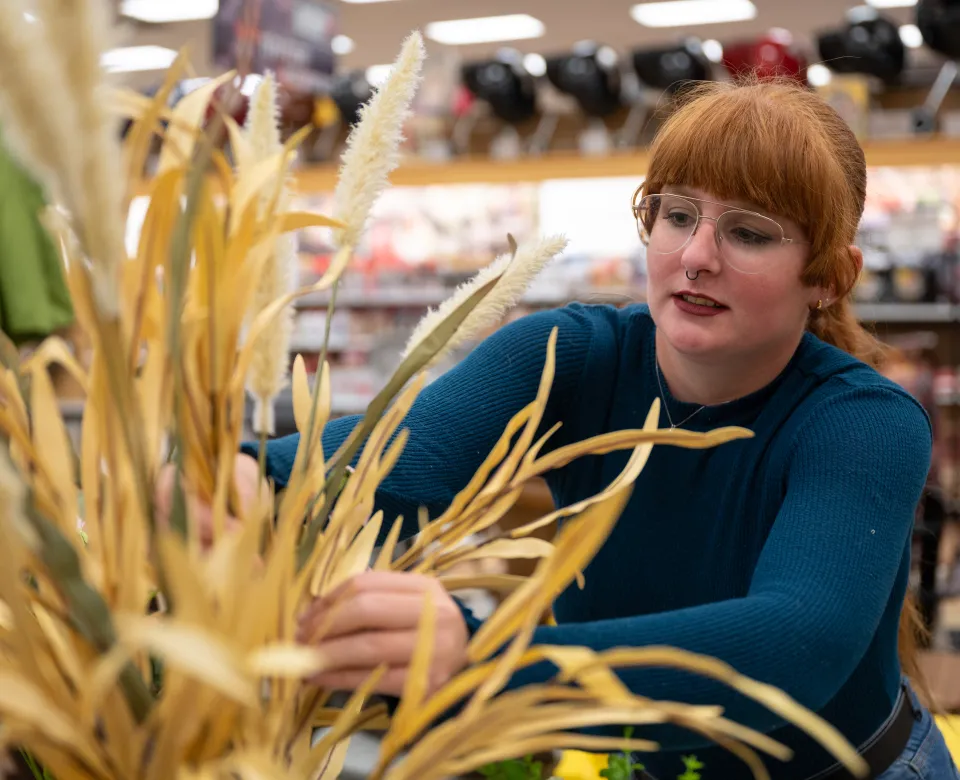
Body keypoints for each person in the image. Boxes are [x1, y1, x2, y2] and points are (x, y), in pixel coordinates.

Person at [156, 78, 960, 779]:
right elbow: (397, 462)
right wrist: (240, 472)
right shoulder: (571, 355)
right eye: (677, 215)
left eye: (748, 233)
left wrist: (486, 661)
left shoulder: (864, 423)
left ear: (828, 276)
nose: (695, 256)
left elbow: (795, 645)